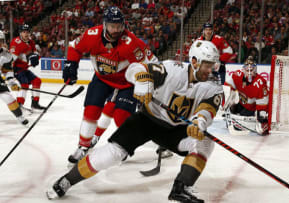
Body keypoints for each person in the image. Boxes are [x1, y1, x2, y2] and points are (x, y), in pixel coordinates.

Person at [46, 40, 222, 203]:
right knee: (113, 154)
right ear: (194, 61)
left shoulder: (213, 85)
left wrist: (200, 122)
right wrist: (143, 80)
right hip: (146, 120)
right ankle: (67, 180)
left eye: (212, 65)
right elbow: (135, 69)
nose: (210, 70)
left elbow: (208, 108)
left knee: (205, 142)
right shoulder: (172, 69)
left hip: (176, 130)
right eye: (207, 65)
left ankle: (181, 187)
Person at [63, 6, 158, 165]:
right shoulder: (92, 35)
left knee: (122, 117)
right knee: (91, 111)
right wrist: (70, 65)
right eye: (112, 26)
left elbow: (152, 63)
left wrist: (149, 83)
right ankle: (83, 147)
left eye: (119, 26)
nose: (115, 30)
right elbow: (74, 47)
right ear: (105, 24)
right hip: (102, 79)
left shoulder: (131, 42)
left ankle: (126, 145)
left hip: (127, 84)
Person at [224, 56, 269, 135]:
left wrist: (261, 119)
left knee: (237, 126)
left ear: (255, 70)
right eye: (247, 70)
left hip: (251, 110)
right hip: (241, 104)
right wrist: (227, 102)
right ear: (243, 70)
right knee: (231, 107)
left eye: (251, 70)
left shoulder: (260, 83)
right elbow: (227, 87)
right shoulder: (237, 75)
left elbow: (262, 107)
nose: (249, 72)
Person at [9, 23, 45, 111]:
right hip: (17, 68)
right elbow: (12, 58)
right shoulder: (16, 42)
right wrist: (29, 57)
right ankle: (19, 105)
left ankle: (35, 104)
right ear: (20, 33)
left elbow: (35, 52)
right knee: (24, 84)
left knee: (37, 81)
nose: (26, 34)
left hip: (24, 69)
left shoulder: (30, 41)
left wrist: (35, 57)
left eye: (27, 32)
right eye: (24, 32)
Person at [0, 30, 29, 125]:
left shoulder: (6, 54)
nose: (0, 43)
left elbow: (7, 70)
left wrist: (11, 81)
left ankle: (20, 117)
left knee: (9, 98)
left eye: (1, 40)